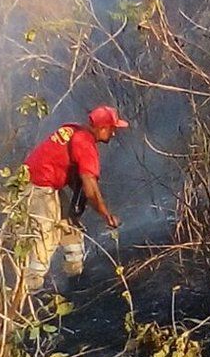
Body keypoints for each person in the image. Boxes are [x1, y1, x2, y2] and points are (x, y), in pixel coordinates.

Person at [18, 104, 128, 294]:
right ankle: (32, 293)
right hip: (37, 188)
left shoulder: (73, 130)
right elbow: (91, 188)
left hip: (43, 184)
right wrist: (106, 215)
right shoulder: (85, 143)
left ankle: (76, 280)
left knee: (71, 229)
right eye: (113, 129)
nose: (114, 133)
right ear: (102, 128)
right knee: (45, 237)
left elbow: (62, 165)